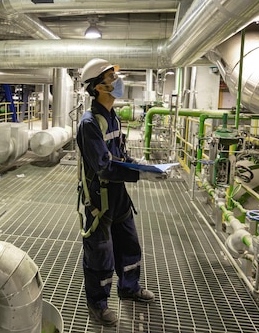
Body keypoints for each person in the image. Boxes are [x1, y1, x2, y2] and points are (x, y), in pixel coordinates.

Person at [76, 58, 162, 326]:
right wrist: (139, 174)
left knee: (129, 246)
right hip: (98, 199)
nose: (118, 82)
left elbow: (120, 155)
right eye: (112, 79)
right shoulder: (89, 124)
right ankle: (98, 304)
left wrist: (147, 167)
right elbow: (104, 168)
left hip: (119, 196)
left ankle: (129, 287)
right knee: (100, 256)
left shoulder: (111, 117)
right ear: (99, 87)